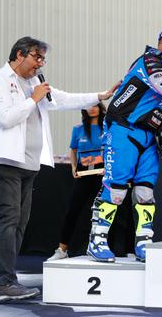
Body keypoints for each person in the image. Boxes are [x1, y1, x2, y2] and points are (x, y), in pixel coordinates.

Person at [0, 36, 117, 302]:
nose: (40, 64)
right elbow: (5, 118)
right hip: (2, 161)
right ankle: (4, 283)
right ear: (19, 55)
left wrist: (100, 96)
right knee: (8, 220)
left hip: (27, 164)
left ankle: (6, 279)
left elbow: (61, 99)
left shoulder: (34, 83)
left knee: (19, 223)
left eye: (43, 59)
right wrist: (33, 99)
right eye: (37, 57)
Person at [87, 23, 162, 263]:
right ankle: (97, 240)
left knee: (145, 191)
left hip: (149, 136)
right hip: (123, 129)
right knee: (116, 189)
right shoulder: (150, 60)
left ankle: (144, 242)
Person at [47, 103, 107, 261]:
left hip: (102, 176)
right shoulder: (78, 129)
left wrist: (108, 168)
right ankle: (62, 249)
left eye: (95, 106)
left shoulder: (107, 127)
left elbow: (112, 150)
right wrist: (73, 167)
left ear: (100, 108)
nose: (92, 109)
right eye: (88, 106)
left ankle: (104, 247)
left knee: (103, 212)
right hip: (83, 176)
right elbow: (73, 151)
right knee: (72, 211)